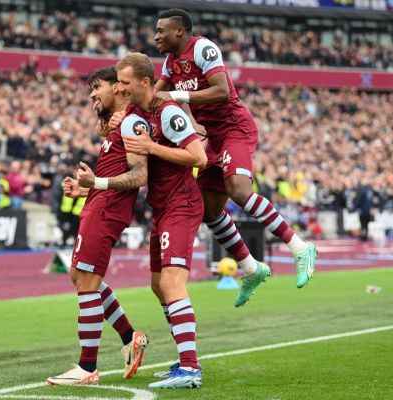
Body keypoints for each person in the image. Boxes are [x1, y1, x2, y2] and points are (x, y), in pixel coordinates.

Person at [151, 9, 317, 307]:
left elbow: (223, 92)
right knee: (208, 211)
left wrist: (178, 97)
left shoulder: (202, 48)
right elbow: (153, 98)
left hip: (235, 129)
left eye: (161, 30)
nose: (156, 36)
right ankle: (251, 268)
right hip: (213, 136)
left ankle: (299, 247)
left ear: (179, 31)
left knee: (239, 190)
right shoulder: (170, 63)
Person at [46, 67, 149, 386]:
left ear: (118, 87)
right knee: (80, 275)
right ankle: (130, 337)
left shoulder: (131, 121)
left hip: (107, 210)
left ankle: (86, 366)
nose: (91, 93)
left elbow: (140, 176)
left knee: (87, 282)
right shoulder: (117, 124)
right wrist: (86, 189)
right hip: (99, 204)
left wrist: (98, 182)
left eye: (97, 86)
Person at [116, 53, 207, 389]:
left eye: (125, 83)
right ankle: (185, 359)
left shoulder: (167, 112)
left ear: (143, 82)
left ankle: (190, 367)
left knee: (171, 284)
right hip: (163, 207)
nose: (120, 88)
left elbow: (198, 156)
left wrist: (152, 148)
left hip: (181, 204)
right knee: (157, 286)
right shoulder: (137, 114)